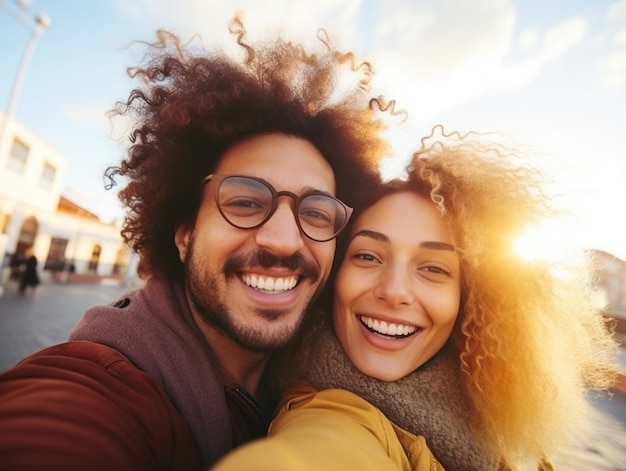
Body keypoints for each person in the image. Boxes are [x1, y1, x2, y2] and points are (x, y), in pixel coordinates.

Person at [0, 17, 394, 469]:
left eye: (317, 212)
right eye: (245, 202)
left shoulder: (323, 372)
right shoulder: (99, 388)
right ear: (184, 233)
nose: (285, 240)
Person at [212, 127, 619, 471]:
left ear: (471, 298)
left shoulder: (495, 417)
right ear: (335, 276)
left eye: (433, 269)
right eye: (368, 256)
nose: (394, 291)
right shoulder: (329, 416)